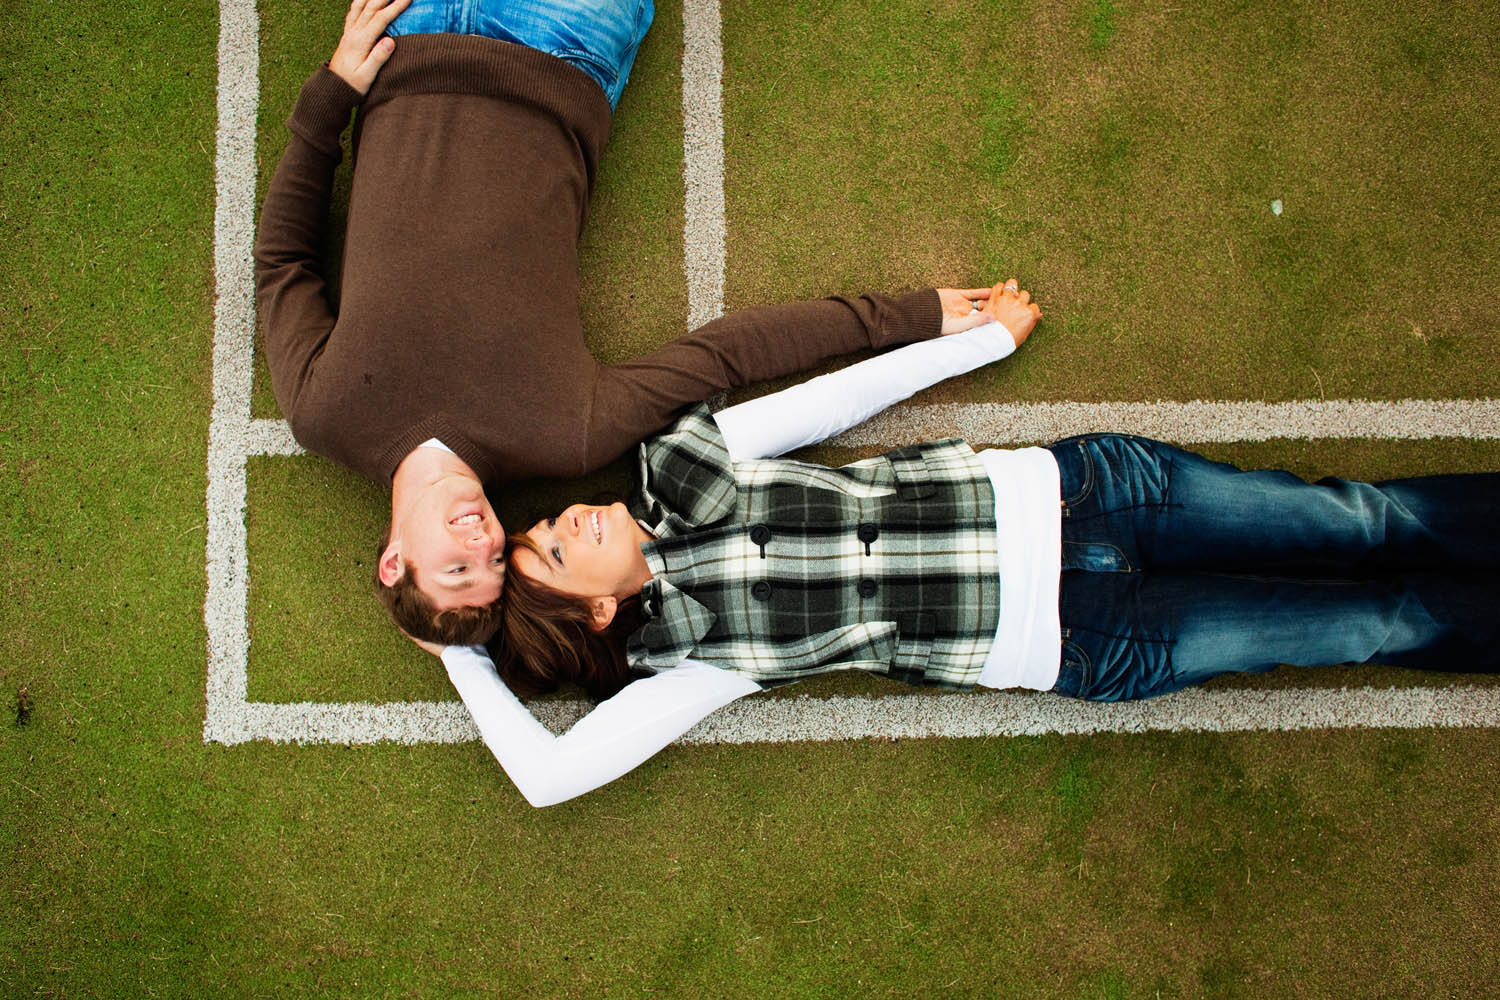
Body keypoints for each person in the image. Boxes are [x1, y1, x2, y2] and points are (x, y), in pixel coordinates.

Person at [413, 280, 1500, 807]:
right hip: (1088, 642)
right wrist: (457, 643)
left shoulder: (679, 472)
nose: (566, 517)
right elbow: (550, 778)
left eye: (546, 522)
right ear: (598, 610)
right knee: (1374, 619)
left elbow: (824, 407)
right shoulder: (688, 662)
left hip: (1091, 497)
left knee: (1363, 518)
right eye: (557, 549)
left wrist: (969, 341)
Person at [253, 0, 1001, 643]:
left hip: (405, 41)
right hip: (564, 38)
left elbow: (283, 263)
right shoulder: (564, 433)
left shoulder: (327, 415)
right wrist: (909, 317)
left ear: (394, 560)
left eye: (456, 567)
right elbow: (729, 355)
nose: (482, 542)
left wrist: (333, 92)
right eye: (490, 565)